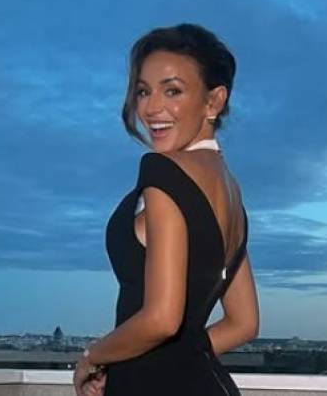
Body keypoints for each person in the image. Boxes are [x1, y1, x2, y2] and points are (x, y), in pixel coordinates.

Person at [72, 23, 260, 396]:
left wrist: (94, 357)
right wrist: (134, 362)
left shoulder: (165, 171)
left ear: (213, 102)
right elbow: (243, 323)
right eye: (144, 91)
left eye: (172, 90)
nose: (151, 107)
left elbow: (161, 319)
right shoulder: (230, 191)